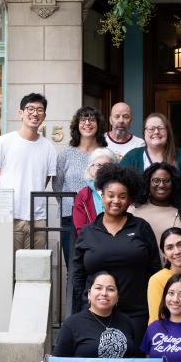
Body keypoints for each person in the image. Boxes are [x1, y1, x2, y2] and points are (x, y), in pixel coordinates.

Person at [71, 163, 161, 346]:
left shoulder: (141, 228)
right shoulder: (88, 232)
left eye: (122, 196)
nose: (116, 201)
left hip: (136, 314)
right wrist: (83, 306)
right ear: (101, 196)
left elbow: (155, 270)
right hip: (96, 314)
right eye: (110, 195)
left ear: (129, 199)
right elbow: (77, 274)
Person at [0, 92, 57, 251]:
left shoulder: (48, 147)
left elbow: (44, 179)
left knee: (35, 270)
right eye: (30, 109)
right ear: (21, 113)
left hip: (37, 218)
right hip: (9, 217)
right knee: (8, 267)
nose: (35, 113)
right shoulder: (3, 142)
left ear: (44, 116)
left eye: (39, 110)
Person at [53, 106, 108, 264]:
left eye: (92, 119)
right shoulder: (66, 153)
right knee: (73, 263)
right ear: (77, 125)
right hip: (70, 216)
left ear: (98, 124)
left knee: (98, 262)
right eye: (83, 119)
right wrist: (71, 204)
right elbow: (57, 185)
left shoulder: (105, 153)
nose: (87, 123)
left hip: (100, 215)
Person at [121, 113, 181, 204]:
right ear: (144, 133)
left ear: (168, 132)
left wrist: (170, 206)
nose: (156, 132)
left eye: (161, 128)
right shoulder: (132, 156)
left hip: (174, 212)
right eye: (151, 129)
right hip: (139, 212)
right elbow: (119, 184)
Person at [132, 162, 181, 260]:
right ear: (148, 183)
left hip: (177, 272)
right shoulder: (134, 210)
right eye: (156, 180)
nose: (161, 185)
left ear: (173, 184)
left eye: (166, 181)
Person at [71, 148, 120, 237]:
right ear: (91, 168)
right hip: (93, 244)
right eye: (98, 165)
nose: (102, 169)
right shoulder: (83, 195)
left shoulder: (123, 191)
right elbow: (81, 229)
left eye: (107, 165)